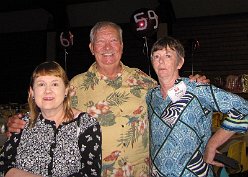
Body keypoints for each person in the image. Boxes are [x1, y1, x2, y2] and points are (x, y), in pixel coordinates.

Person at [6, 21, 209, 177]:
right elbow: (47, 110)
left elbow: (171, 99)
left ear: (121, 46)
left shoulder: (143, 81)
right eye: (100, 42)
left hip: (139, 172)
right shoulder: (75, 85)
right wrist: (20, 120)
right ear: (91, 48)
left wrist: (192, 84)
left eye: (113, 41)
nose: (107, 47)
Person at [146, 36, 248, 177]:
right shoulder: (151, 96)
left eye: (168, 55)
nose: (161, 61)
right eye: (156, 56)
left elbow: (244, 109)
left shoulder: (196, 89)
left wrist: (212, 144)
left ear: (180, 62)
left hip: (193, 173)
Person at [0, 61, 102, 177]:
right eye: (41, 84)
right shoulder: (22, 123)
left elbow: (90, 173)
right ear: (32, 92)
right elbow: (3, 164)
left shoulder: (86, 124)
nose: (48, 90)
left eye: (55, 84)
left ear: (66, 90)